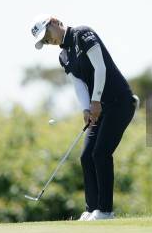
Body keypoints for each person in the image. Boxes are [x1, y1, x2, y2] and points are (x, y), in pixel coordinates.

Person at [30, 15, 137, 221]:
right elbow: (78, 84)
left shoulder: (82, 33)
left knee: (101, 154)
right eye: (43, 41)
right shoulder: (63, 56)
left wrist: (95, 101)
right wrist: (86, 108)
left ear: (54, 23)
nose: (48, 41)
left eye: (47, 35)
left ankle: (105, 211)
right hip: (100, 107)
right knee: (86, 156)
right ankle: (91, 209)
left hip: (120, 102)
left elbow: (100, 68)